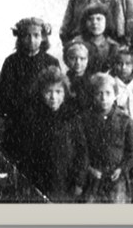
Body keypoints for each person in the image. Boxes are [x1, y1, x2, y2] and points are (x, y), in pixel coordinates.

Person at [0, 17, 59, 161]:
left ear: (43, 37)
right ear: (20, 38)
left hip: (44, 122)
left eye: (36, 35)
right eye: (26, 36)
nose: (31, 40)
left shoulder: (51, 62)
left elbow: (58, 93)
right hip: (18, 123)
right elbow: (2, 95)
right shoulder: (11, 62)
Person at [23, 66, 88, 203]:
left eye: (58, 92)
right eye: (48, 92)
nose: (53, 97)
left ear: (65, 93)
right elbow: (27, 152)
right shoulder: (34, 117)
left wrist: (79, 181)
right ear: (40, 92)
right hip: (40, 179)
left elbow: (82, 152)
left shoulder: (72, 117)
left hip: (66, 180)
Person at [82, 73, 133, 203]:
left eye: (108, 93)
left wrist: (122, 168)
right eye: (99, 93)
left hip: (117, 178)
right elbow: (81, 149)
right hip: (93, 178)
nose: (103, 98)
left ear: (115, 95)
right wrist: (89, 169)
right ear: (93, 96)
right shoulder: (85, 120)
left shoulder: (124, 120)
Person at [71, 3, 119, 75]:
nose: (94, 23)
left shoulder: (113, 46)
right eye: (90, 19)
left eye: (99, 19)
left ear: (106, 21)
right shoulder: (78, 42)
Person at [63, 41, 95, 115]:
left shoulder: (92, 81)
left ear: (87, 60)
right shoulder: (63, 80)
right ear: (67, 60)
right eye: (73, 58)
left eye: (82, 59)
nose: (78, 62)